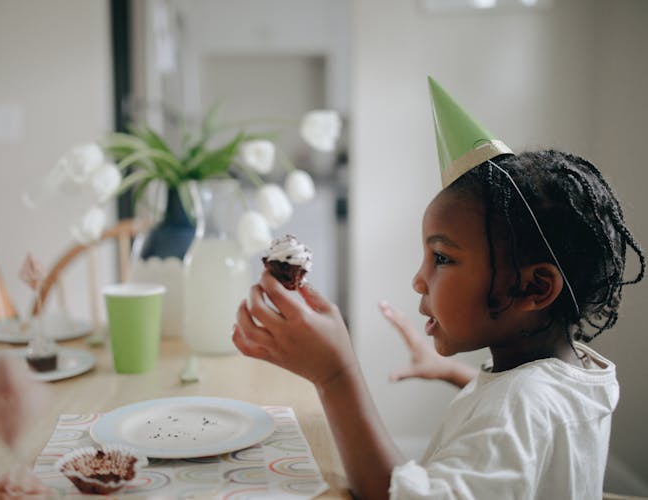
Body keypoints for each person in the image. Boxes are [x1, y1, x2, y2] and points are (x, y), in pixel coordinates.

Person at [232, 79, 645, 499]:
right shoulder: (573, 375)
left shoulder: (520, 408)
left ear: (533, 287)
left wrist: (335, 374)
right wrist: (450, 372)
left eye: (442, 259)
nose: (418, 279)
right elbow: (526, 406)